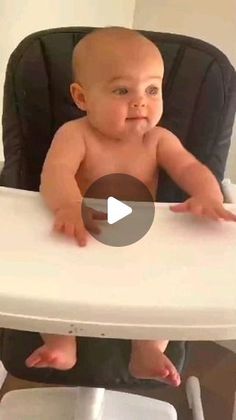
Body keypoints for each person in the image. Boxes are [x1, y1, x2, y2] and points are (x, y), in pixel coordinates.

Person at [25, 26, 236, 387]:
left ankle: (147, 350)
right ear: (82, 97)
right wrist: (69, 206)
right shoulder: (75, 135)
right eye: (122, 90)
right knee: (55, 281)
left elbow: (189, 167)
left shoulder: (158, 139)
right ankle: (61, 342)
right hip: (84, 231)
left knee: (163, 289)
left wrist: (208, 195)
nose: (140, 102)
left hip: (140, 238)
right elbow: (55, 173)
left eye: (152, 90)